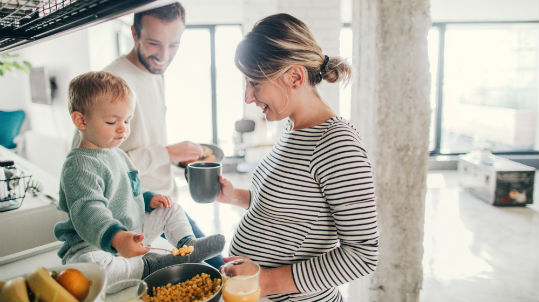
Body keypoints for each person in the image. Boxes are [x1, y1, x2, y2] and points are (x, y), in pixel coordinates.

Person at [216, 13, 379, 302]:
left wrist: (263, 281)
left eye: (254, 83)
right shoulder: (293, 129)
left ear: (294, 76)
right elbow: (290, 210)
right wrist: (235, 196)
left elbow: (362, 254)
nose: (248, 97)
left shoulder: (337, 144)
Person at [72, 2, 224, 268]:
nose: (164, 56)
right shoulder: (112, 82)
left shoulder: (153, 73)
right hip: (134, 216)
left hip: (163, 202)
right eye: (154, 43)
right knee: (210, 271)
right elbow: (93, 161)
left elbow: (139, 143)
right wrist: (167, 153)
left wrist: (177, 160)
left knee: (216, 267)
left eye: (174, 45)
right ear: (134, 34)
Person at [55, 71, 225, 284]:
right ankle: (149, 265)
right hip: (92, 244)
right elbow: (89, 211)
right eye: (111, 122)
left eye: (127, 121)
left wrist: (148, 199)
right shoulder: (79, 165)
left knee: (170, 207)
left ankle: (187, 246)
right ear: (81, 120)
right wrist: (117, 238)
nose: (123, 130)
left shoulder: (115, 152)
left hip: (130, 231)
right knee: (92, 268)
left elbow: (129, 189)